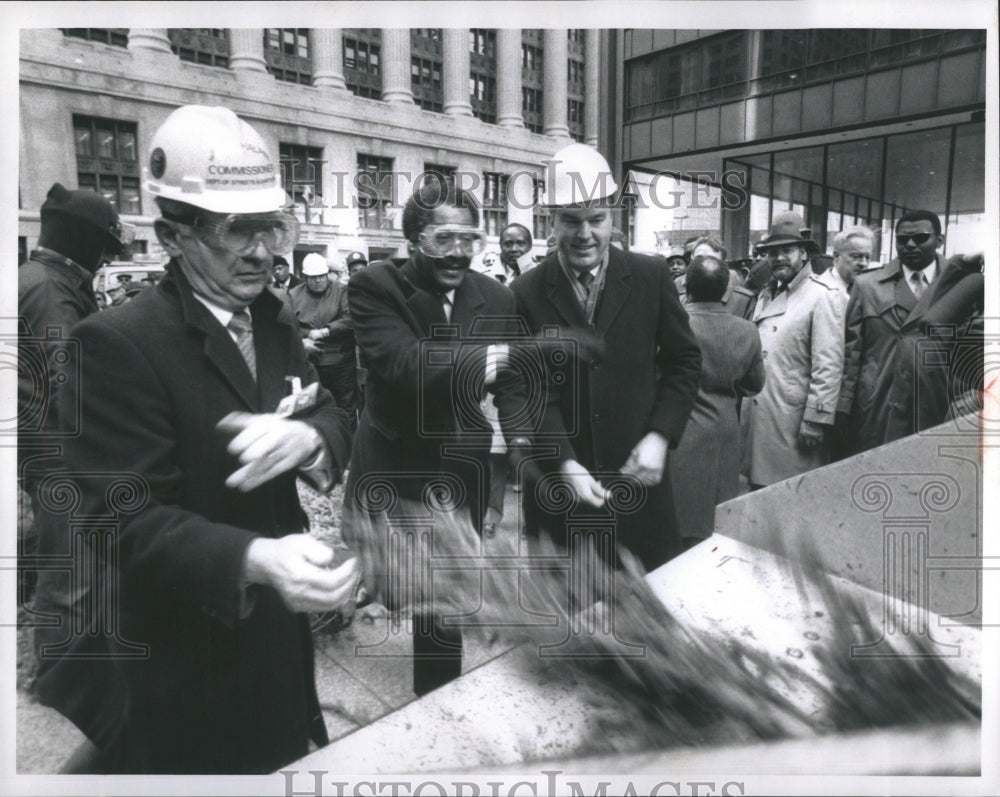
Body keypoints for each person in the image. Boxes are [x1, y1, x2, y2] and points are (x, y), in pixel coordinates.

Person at [47, 104, 358, 774]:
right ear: (172, 234)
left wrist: (308, 442)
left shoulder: (273, 323)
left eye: (269, 228)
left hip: (276, 639)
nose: (261, 251)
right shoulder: (113, 344)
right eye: (232, 231)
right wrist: (255, 558)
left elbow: (331, 411)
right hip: (182, 652)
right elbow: (120, 519)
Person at [344, 178, 533, 696]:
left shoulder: (496, 296)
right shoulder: (375, 286)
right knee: (398, 580)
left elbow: (514, 381)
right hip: (399, 463)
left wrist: (520, 446)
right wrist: (486, 360)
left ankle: (436, 698)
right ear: (412, 242)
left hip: (461, 467)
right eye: (441, 239)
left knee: (443, 603)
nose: (457, 253)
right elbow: (405, 364)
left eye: (468, 239)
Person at [511, 142, 702, 571]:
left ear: (612, 216)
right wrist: (563, 461)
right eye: (571, 221)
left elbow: (684, 363)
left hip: (640, 488)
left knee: (648, 616)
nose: (585, 234)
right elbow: (528, 392)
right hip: (560, 499)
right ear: (550, 221)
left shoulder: (651, 277)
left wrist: (660, 437)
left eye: (596, 220)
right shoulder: (525, 294)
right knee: (571, 625)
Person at [19, 182, 130, 604]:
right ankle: (65, 663)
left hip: (45, 448)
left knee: (70, 567)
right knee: (74, 584)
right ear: (83, 241)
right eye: (103, 247)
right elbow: (72, 377)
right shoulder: (51, 291)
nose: (105, 259)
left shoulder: (37, 278)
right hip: (61, 456)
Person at [837, 210, 984, 454]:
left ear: (939, 240)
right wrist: (843, 407)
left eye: (920, 238)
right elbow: (851, 353)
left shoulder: (963, 286)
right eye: (903, 240)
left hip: (935, 400)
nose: (910, 245)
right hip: (879, 402)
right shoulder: (867, 285)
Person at [743, 211, 848, 488]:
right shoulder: (768, 293)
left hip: (794, 420)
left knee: (792, 494)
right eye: (772, 252)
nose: (778, 258)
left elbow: (829, 364)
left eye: (786, 250)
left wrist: (816, 418)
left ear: (803, 253)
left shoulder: (824, 294)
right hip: (763, 416)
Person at [670, 255, 764, 547]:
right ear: (726, 291)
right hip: (726, 430)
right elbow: (754, 385)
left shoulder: (674, 325)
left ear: (686, 286)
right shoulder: (747, 330)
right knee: (718, 516)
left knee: (679, 515)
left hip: (680, 430)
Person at [288, 253, 357, 428]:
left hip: (339, 361)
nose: (318, 280)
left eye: (321, 276)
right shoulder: (293, 295)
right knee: (313, 410)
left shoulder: (341, 291)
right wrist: (304, 339)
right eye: (313, 277)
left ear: (327, 274)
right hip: (309, 363)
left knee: (345, 408)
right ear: (305, 277)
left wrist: (326, 331)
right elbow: (289, 325)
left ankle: (349, 451)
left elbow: (350, 319)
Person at [676, 235, 754, 319]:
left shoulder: (743, 301)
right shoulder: (680, 296)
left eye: (711, 259)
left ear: (723, 264)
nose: (703, 264)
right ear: (691, 260)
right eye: (698, 258)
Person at [827, 226, 876, 292]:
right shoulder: (820, 293)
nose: (864, 263)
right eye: (856, 256)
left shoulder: (868, 290)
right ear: (836, 256)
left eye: (867, 257)